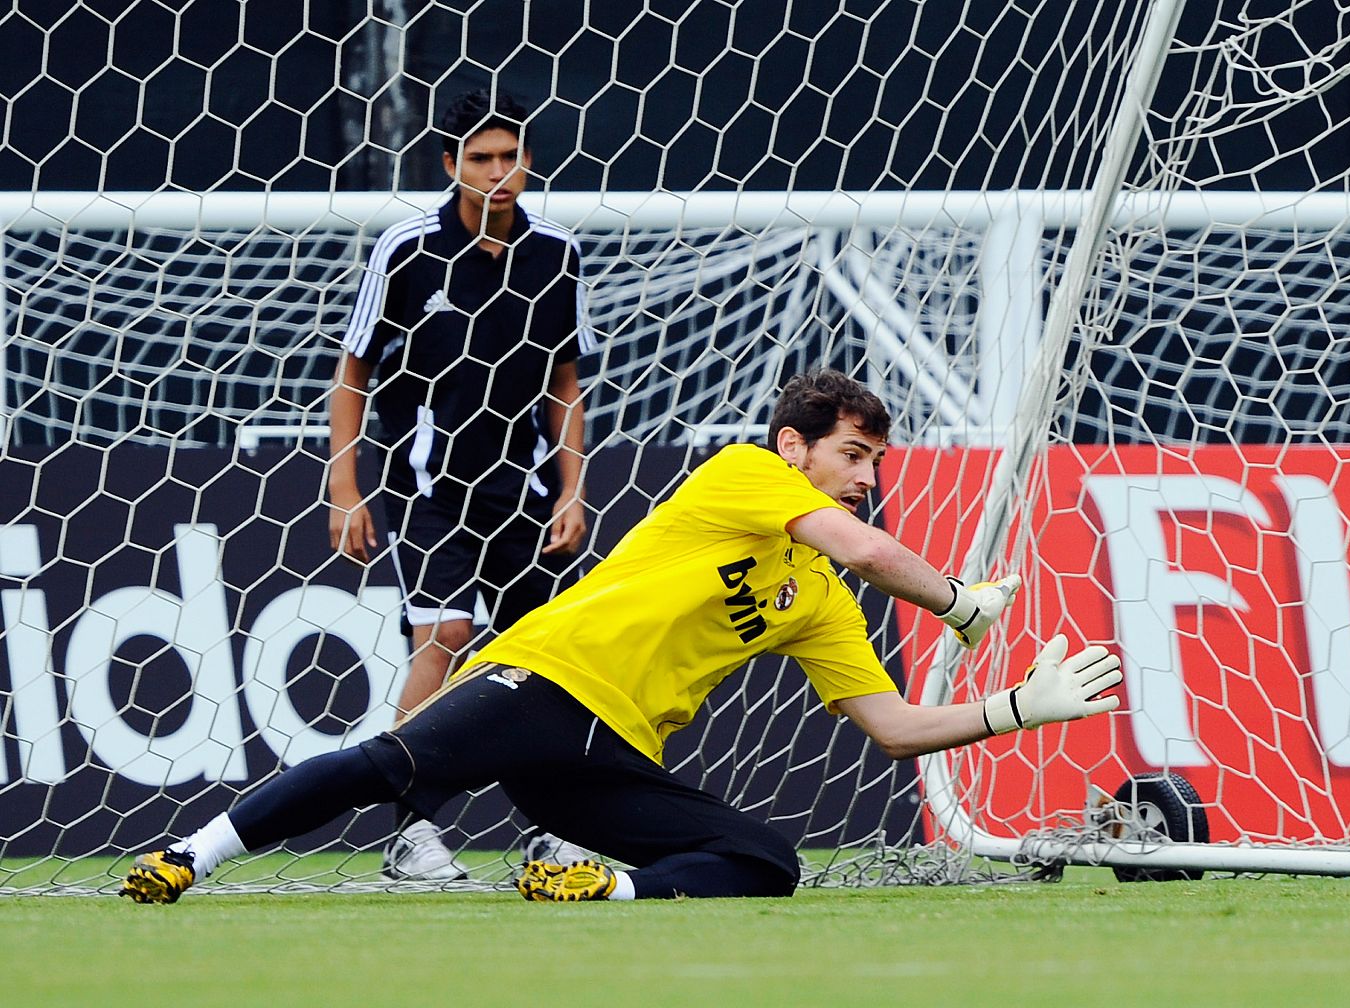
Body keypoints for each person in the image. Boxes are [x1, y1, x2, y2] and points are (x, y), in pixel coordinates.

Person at [121, 369, 1123, 904]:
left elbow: (894, 728)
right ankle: (188, 855)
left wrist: (1015, 710)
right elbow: (866, 549)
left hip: (609, 752)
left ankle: (603, 888)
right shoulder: (747, 475)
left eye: (873, 463)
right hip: (546, 679)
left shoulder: (819, 598)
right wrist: (955, 601)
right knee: (386, 763)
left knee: (766, 860)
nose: (867, 477)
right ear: (794, 447)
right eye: (852, 456)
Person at [326, 88, 593, 880]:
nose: (498, 172)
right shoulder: (408, 247)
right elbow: (353, 371)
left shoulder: (558, 252)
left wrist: (573, 490)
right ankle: (409, 831)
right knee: (444, 635)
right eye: (480, 159)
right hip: (426, 482)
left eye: (510, 157)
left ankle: (552, 826)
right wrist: (346, 486)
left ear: (529, 161)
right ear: (449, 166)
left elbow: (565, 382)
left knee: (536, 658)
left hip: (528, 489)